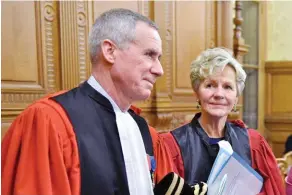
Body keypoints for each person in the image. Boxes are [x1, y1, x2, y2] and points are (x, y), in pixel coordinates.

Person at [2, 8, 175, 195]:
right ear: (110, 51)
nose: (159, 70)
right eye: (149, 54)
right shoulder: (51, 121)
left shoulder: (144, 131)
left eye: (159, 58)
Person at [161, 47, 285, 195]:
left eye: (227, 87)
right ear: (196, 93)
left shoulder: (254, 143)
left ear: (236, 98)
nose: (219, 94)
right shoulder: (172, 145)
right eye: (210, 85)